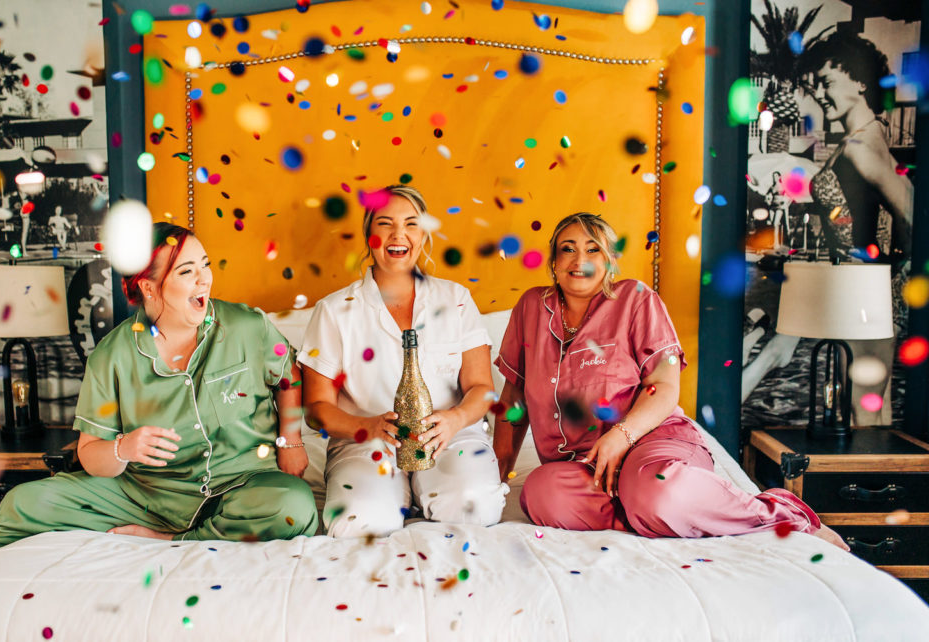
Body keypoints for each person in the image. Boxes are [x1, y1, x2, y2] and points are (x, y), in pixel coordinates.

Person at [492, 212, 848, 549]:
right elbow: (514, 398)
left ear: (610, 262)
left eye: (593, 249)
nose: (577, 258)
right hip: (586, 466)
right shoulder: (531, 307)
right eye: (567, 248)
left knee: (657, 489)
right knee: (541, 494)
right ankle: (652, 511)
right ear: (554, 262)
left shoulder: (635, 299)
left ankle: (783, 514)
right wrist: (496, 474)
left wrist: (620, 437)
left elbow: (665, 386)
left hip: (652, 441)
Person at [0, 223, 317, 559]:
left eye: (205, 266)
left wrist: (291, 440)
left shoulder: (246, 326)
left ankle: (175, 540)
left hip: (243, 485)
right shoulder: (112, 355)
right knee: (23, 503)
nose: (204, 279)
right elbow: (90, 454)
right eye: (186, 271)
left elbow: (289, 376)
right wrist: (124, 448)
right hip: (144, 495)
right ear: (149, 288)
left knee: (293, 506)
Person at [300, 185, 508, 537]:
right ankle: (400, 491)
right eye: (385, 223)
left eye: (411, 223)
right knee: (358, 523)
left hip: (450, 438)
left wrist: (454, 419)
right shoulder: (334, 311)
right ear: (369, 234)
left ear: (423, 233)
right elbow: (316, 407)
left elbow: (482, 388)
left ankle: (423, 488)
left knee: (477, 508)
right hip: (365, 444)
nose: (399, 234)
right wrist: (365, 427)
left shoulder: (456, 299)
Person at [744, 31, 913, 423]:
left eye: (827, 81)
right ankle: (872, 482)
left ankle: (864, 483)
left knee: (862, 410)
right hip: (864, 290)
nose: (820, 92)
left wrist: (890, 277)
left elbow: (911, 217)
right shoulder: (867, 137)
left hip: (866, 290)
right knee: (871, 407)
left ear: (859, 82)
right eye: (817, 83)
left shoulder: (860, 149)